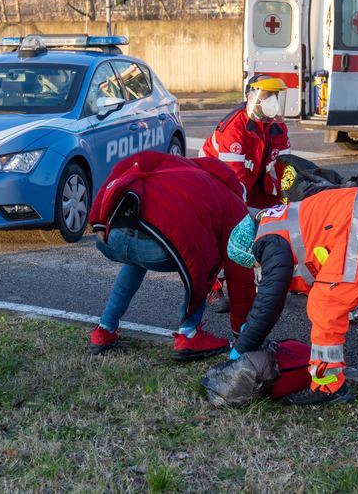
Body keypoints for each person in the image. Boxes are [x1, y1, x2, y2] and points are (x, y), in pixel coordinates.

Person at [225, 186, 358, 406]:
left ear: (250, 250)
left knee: (324, 304)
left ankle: (328, 386)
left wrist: (241, 349)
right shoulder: (277, 220)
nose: (260, 267)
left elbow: (268, 302)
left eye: (255, 264)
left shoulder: (267, 241)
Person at [88, 151, 257, 361]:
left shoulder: (178, 164)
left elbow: (126, 164)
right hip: (161, 250)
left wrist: (98, 218)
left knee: (137, 260)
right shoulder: (233, 204)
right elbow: (239, 274)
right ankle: (189, 333)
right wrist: (242, 331)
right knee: (209, 258)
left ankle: (104, 329)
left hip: (113, 237)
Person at [201, 74, 291, 312]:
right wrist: (245, 218)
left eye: (275, 96)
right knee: (228, 232)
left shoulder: (277, 126)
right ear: (251, 97)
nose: (272, 101)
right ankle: (213, 286)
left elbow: (284, 167)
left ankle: (268, 276)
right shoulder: (234, 128)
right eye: (267, 95)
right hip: (217, 184)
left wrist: (286, 201)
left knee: (277, 222)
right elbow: (234, 179)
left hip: (255, 184)